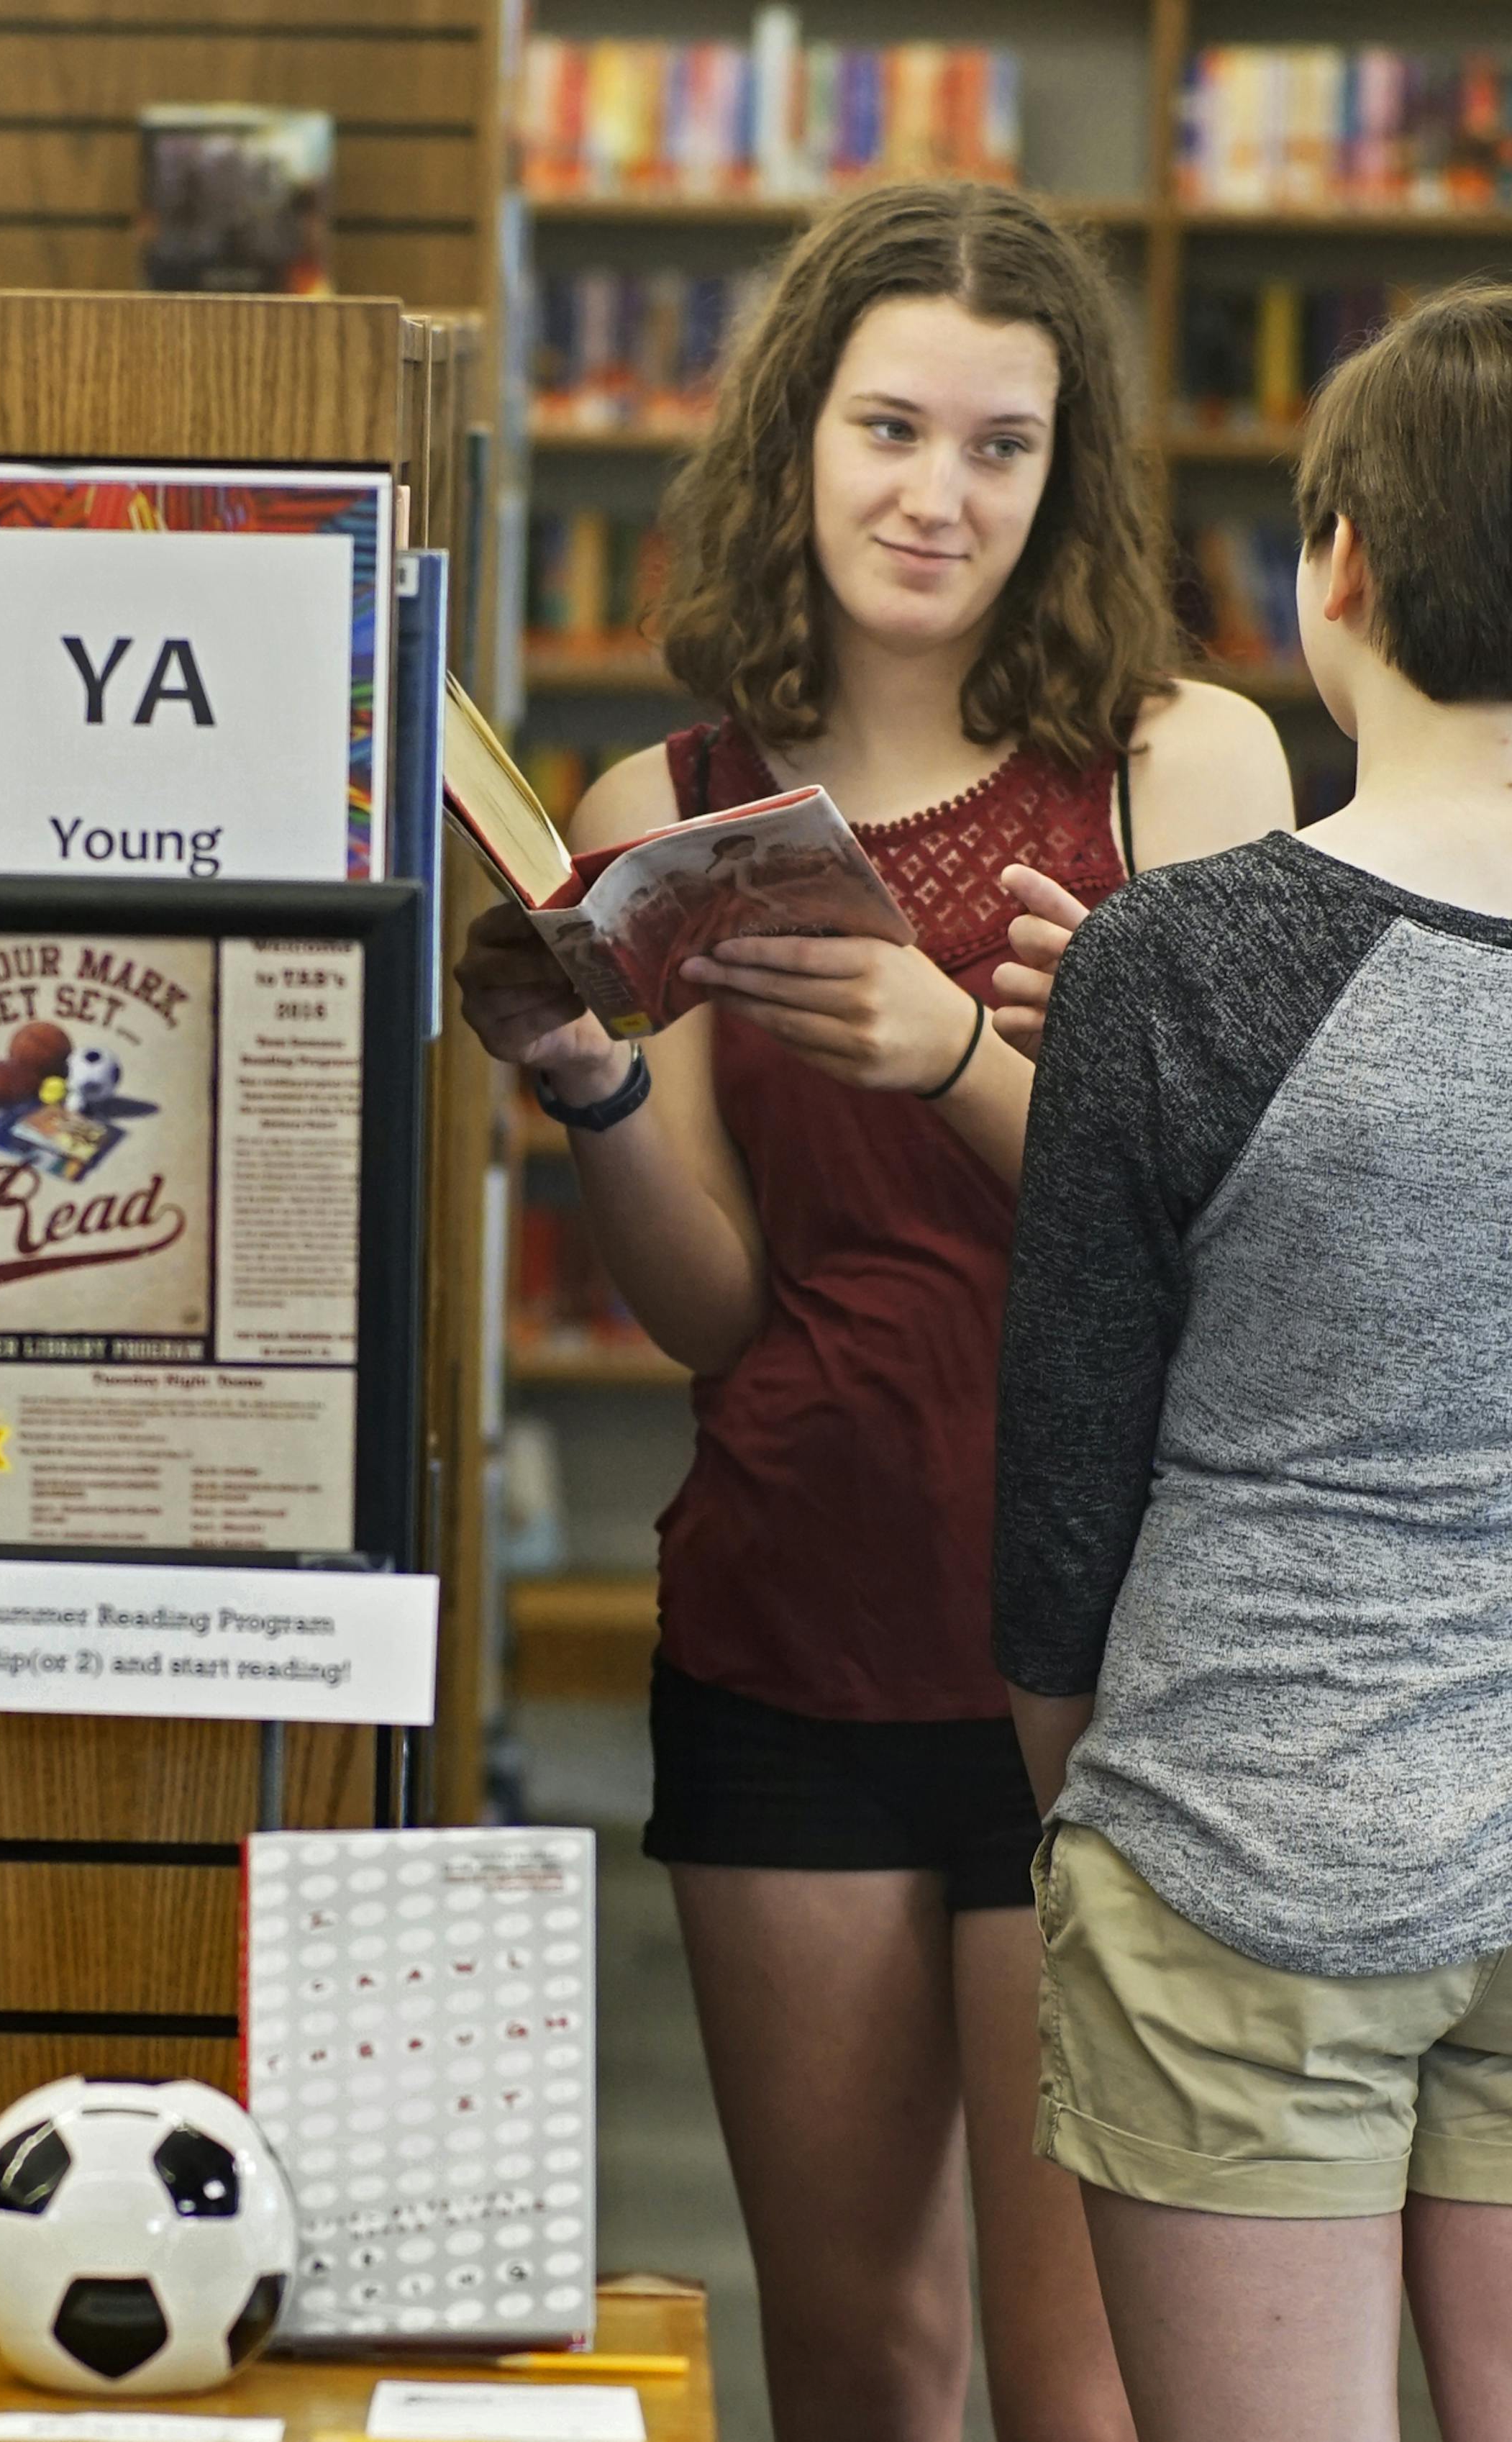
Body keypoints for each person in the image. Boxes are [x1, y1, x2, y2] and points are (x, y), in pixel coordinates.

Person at [459, 180, 1291, 2442]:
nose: (938, 494)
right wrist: (598, 1086)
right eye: (891, 427)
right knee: (856, 2375)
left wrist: (955, 1052)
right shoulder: (677, 803)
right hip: (787, 1632)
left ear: (1067, 475)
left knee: (1081, 2390)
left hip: (1108, 1681)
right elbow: (715, 1309)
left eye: (1002, 445)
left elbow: (1248, 1254)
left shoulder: (1180, 768)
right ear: (794, 440)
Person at [994, 279, 1512, 2442]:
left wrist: (1075, 1809)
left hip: (1233, 1832)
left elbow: (1061, 1494)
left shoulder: (1182, 962)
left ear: (1346, 563)